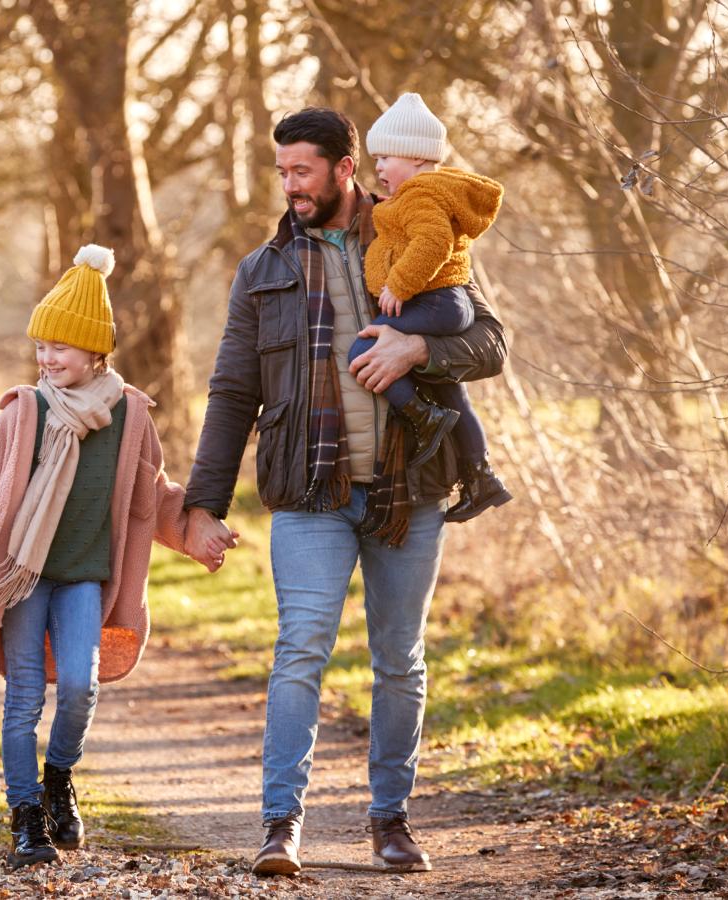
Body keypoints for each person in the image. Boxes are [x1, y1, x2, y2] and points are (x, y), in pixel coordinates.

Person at [181, 107, 507, 876]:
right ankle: (279, 825)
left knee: (399, 660)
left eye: (303, 171)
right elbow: (232, 394)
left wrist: (417, 346)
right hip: (309, 495)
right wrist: (202, 506)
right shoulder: (262, 272)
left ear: (344, 169)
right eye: (282, 172)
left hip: (409, 490)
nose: (290, 186)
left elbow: (490, 341)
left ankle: (390, 820)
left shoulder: (417, 232)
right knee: (300, 649)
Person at [0, 244, 219, 871]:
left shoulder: (131, 418)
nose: (47, 358)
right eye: (41, 347)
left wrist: (195, 530)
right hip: (22, 576)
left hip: (85, 577)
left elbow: (154, 495)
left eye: (61, 347)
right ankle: (25, 814)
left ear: (97, 353)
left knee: (84, 688)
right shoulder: (25, 412)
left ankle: (59, 777)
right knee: (23, 697)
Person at [346, 93, 512, 522]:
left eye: (386, 157)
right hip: (445, 301)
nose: (378, 167)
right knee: (452, 390)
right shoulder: (421, 194)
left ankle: (423, 417)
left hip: (438, 301)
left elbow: (433, 242)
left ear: (418, 159)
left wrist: (398, 287)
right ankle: (482, 477)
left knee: (364, 348)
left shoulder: (420, 194)